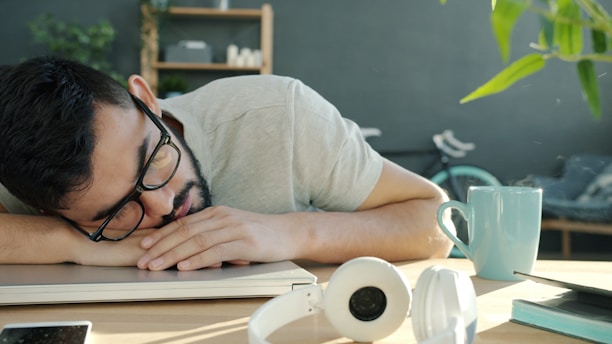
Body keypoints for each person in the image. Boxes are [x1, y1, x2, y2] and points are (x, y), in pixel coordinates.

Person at [0, 56, 454, 271]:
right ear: (47, 209)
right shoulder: (30, 177)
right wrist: (76, 244)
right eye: (115, 214)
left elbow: (435, 224)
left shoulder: (280, 115)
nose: (162, 206)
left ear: (147, 101)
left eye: (153, 160)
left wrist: (293, 231)